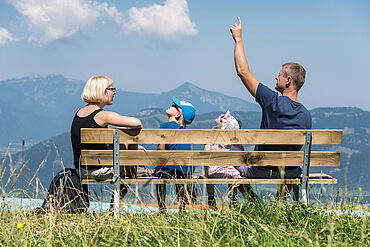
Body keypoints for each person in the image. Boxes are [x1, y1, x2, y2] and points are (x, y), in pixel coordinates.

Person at [230, 18, 312, 198]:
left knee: (228, 164)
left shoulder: (272, 101)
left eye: (280, 75)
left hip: (263, 170)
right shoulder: (306, 115)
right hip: (291, 172)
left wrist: (238, 39)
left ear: (288, 81)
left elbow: (242, 72)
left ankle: (253, 204)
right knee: (288, 166)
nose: (276, 77)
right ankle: (279, 203)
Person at [70, 75, 143, 204]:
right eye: (112, 89)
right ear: (102, 91)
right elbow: (137, 123)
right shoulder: (102, 115)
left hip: (81, 169)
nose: (114, 92)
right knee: (130, 171)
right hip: (98, 170)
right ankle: (113, 206)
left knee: (123, 142)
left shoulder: (80, 112)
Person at [154, 97, 196, 213]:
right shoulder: (185, 132)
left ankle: (162, 208)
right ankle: (181, 207)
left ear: (177, 114)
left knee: (160, 176)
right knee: (180, 176)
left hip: (169, 168)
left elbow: (161, 150)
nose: (171, 105)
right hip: (185, 169)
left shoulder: (165, 127)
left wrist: (157, 166)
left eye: (174, 105)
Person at [204, 110, 251, 209]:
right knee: (234, 175)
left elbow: (205, 154)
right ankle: (233, 197)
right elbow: (241, 149)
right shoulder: (228, 139)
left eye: (222, 118)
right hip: (226, 168)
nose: (220, 116)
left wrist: (205, 172)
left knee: (209, 178)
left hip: (212, 169)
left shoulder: (210, 135)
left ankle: (211, 196)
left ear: (223, 125)